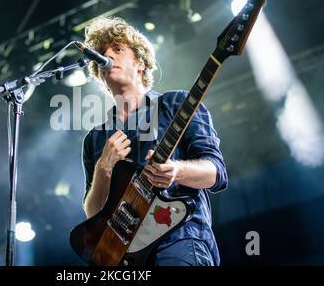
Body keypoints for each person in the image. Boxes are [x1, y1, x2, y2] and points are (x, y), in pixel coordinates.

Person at [81, 17, 228, 266]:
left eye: (117, 49)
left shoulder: (176, 104)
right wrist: (103, 169)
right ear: (99, 75)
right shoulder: (95, 138)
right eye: (103, 53)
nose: (107, 56)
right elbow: (93, 213)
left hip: (179, 241)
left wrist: (177, 171)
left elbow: (217, 173)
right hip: (123, 257)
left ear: (140, 63)